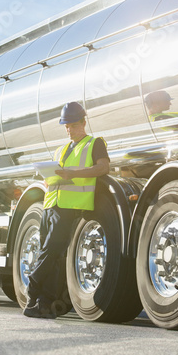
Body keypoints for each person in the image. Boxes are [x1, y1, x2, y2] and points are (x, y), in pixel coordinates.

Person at [23, 102, 110, 319]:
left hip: (71, 207)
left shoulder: (94, 143)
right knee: (50, 253)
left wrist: (74, 173)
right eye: (66, 125)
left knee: (52, 249)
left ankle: (33, 284)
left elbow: (103, 167)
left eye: (72, 124)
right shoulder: (61, 149)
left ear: (83, 122)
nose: (68, 129)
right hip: (51, 204)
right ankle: (42, 304)